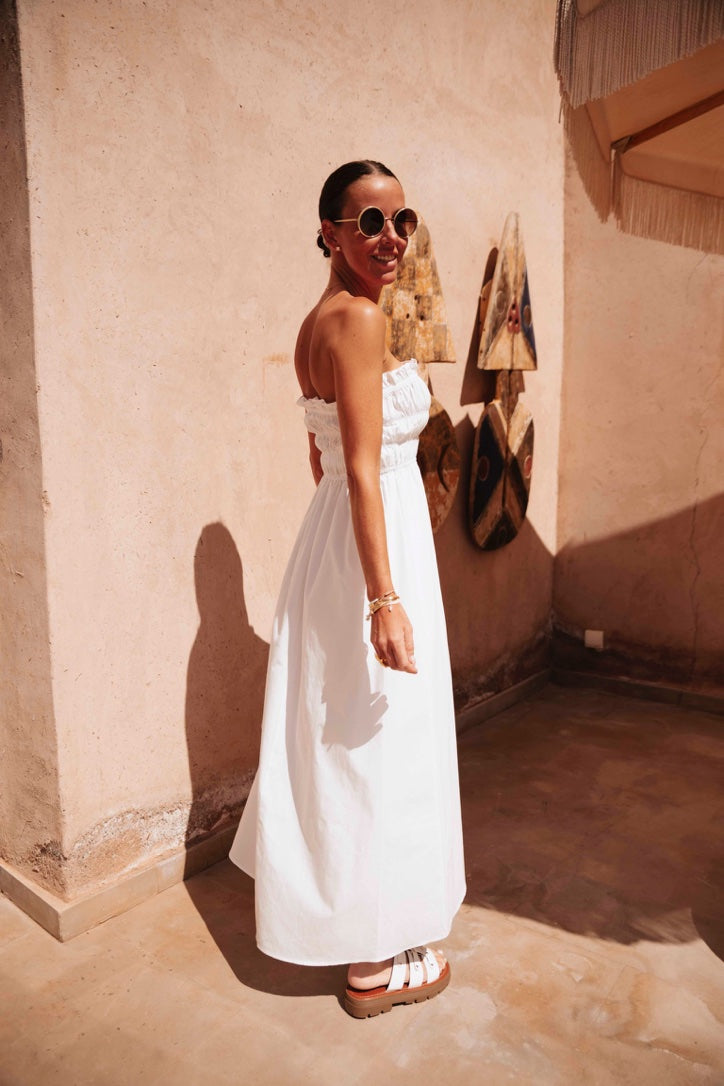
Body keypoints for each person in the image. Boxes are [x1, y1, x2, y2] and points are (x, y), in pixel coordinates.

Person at [229, 160, 465, 1017]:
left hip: (340, 541)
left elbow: (321, 457)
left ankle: (361, 917)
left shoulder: (315, 323)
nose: (391, 237)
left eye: (402, 220)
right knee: (376, 739)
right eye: (369, 221)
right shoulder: (360, 321)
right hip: (375, 549)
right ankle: (371, 962)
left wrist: (351, 569)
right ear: (329, 231)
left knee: (350, 735)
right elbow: (362, 470)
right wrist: (383, 598)